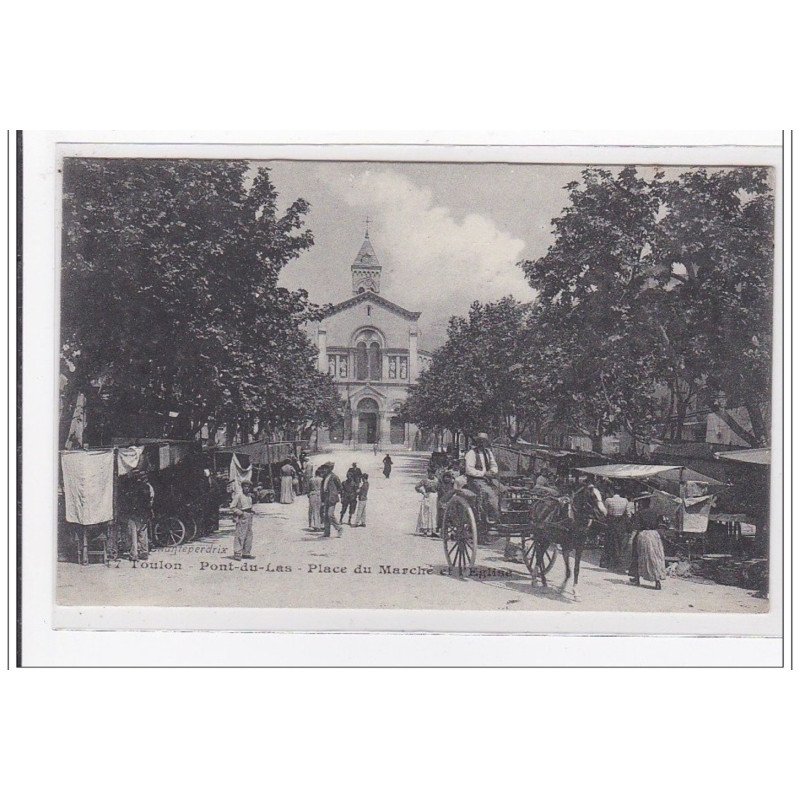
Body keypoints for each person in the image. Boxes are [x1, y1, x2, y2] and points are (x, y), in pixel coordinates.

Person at [464, 432, 504, 525]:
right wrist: (483, 473)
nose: (482, 443)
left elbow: (494, 465)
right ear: (477, 442)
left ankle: (500, 512)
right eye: (480, 441)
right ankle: (489, 515)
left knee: (503, 490)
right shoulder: (471, 453)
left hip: (488, 478)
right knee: (488, 493)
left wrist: (492, 472)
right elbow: (469, 470)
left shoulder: (488, 453)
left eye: (484, 441)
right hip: (475, 479)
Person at [629, 508, 666, 589]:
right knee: (655, 558)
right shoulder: (656, 512)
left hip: (644, 535)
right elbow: (662, 526)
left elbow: (636, 528)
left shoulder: (639, 513)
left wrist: (631, 539)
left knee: (639, 556)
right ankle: (657, 581)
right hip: (654, 535)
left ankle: (637, 579)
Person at [121, 469, 154, 561]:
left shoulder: (131, 488)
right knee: (143, 533)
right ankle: (144, 553)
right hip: (144, 513)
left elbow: (129, 501)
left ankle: (134, 554)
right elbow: (150, 501)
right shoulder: (147, 487)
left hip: (134, 513)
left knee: (133, 534)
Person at [603, 484, 633, 569]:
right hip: (621, 523)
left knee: (610, 541)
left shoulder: (608, 500)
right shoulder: (625, 500)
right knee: (619, 542)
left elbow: (605, 512)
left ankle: (610, 562)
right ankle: (618, 562)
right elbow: (628, 513)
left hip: (611, 522)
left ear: (612, 491)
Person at [230, 480, 255, 561]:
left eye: (248, 487)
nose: (247, 488)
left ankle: (246, 553)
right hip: (242, 516)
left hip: (249, 516)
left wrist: (251, 511)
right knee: (240, 534)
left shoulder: (249, 497)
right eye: (245, 486)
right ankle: (237, 552)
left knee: (249, 534)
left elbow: (249, 506)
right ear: (242, 487)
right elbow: (232, 507)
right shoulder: (239, 496)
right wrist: (240, 513)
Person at [320, 462, 343, 538]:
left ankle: (339, 528)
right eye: (324, 468)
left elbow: (340, 487)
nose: (324, 469)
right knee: (326, 515)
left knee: (330, 514)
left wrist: (335, 493)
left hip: (332, 498)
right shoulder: (325, 476)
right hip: (326, 497)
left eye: (326, 468)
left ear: (330, 468)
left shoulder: (334, 477)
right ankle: (327, 532)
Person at [415, 468, 439, 536]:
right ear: (428, 473)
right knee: (425, 513)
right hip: (427, 497)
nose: (432, 474)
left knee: (434, 513)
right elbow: (417, 487)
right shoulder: (425, 480)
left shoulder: (437, 480)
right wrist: (423, 492)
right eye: (430, 473)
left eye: (433, 473)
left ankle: (433, 531)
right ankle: (425, 530)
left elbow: (440, 488)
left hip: (435, 497)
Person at [307, 467, 323, 531]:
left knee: (312, 509)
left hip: (312, 494)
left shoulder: (311, 479)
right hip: (319, 494)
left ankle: (312, 524)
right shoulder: (322, 479)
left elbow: (309, 488)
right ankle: (319, 525)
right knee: (319, 510)